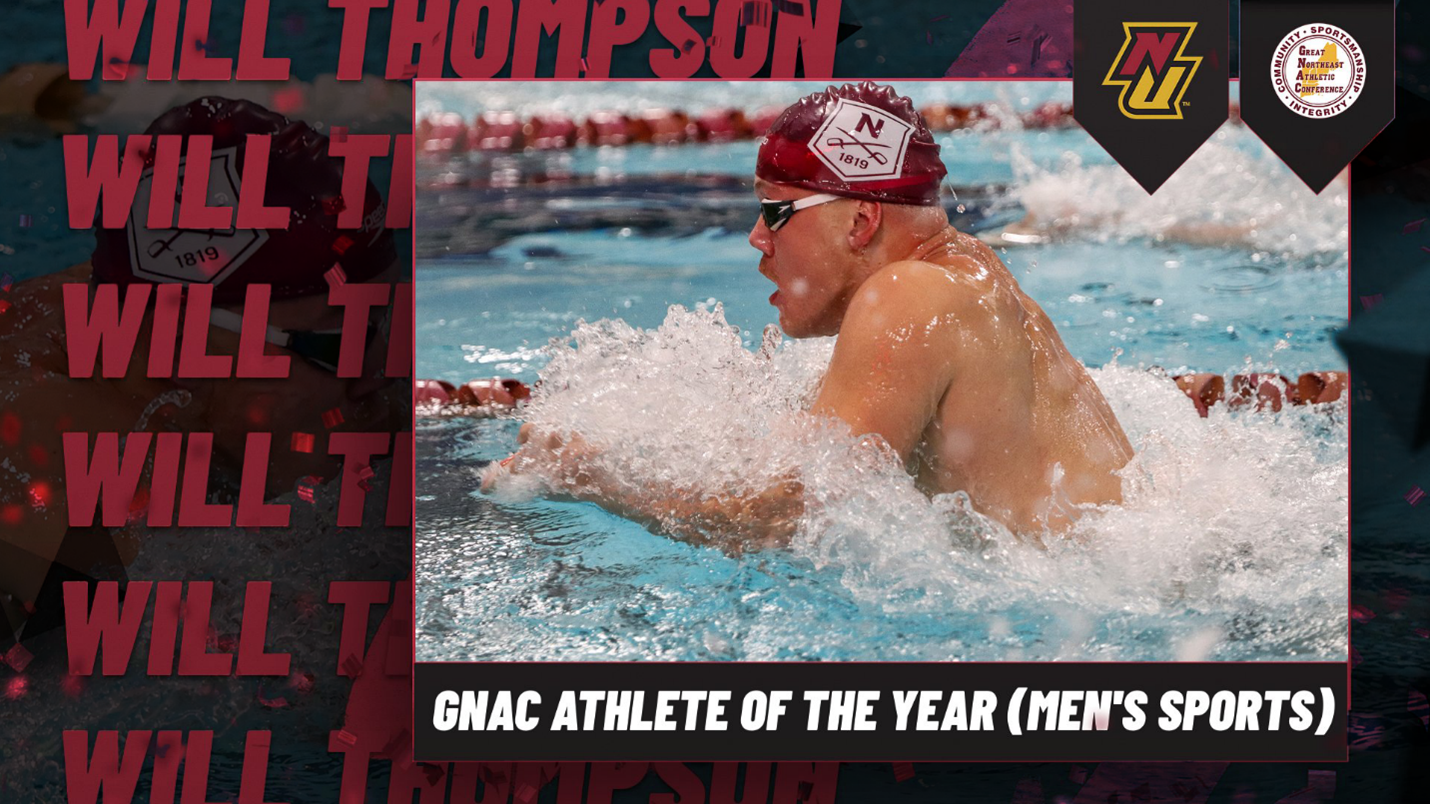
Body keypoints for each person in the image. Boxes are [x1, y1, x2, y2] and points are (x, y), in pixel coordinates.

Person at [487, 82, 1134, 549]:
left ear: (861, 219)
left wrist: (593, 477)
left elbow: (786, 523)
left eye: (775, 212)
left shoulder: (907, 295)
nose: (756, 238)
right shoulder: (972, 272)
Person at [0, 97, 403, 641]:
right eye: (343, 338)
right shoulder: (54, 553)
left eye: (386, 316)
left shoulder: (142, 304)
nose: (382, 373)